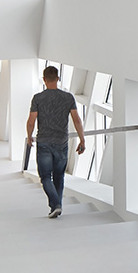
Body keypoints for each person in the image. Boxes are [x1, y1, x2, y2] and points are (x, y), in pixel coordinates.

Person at [26, 65, 86, 217]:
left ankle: (55, 205)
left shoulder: (38, 98)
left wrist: (29, 136)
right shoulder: (68, 97)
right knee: (59, 176)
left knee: (46, 177)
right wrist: (82, 139)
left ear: (44, 80)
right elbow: (77, 120)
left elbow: (31, 120)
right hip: (61, 142)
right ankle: (56, 206)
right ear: (58, 78)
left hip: (44, 142)